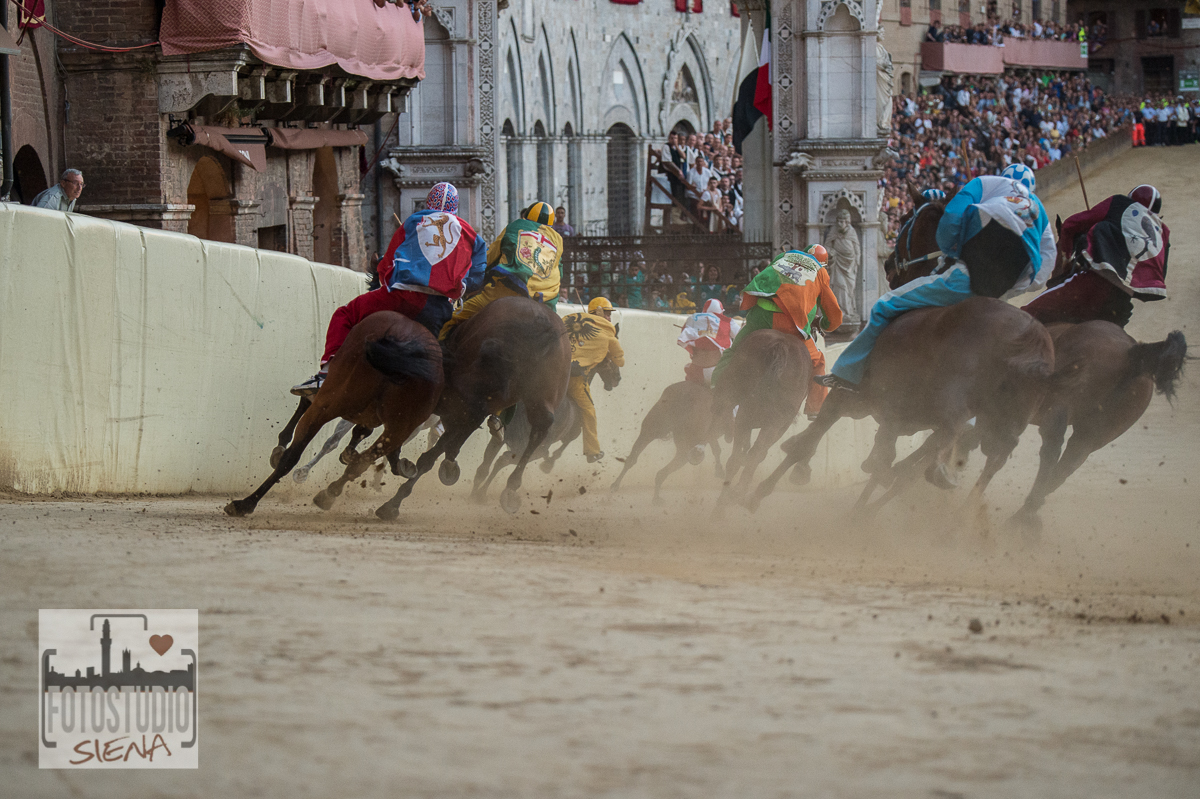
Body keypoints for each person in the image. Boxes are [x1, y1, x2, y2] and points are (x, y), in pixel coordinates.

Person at [817, 163, 1054, 391]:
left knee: (883, 305)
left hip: (968, 276)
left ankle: (846, 376)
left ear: (1003, 176)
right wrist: (1014, 289)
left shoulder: (986, 183)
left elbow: (951, 215)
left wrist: (951, 251)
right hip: (1006, 285)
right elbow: (1046, 265)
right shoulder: (1039, 209)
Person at [292, 183, 486, 395]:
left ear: (428, 202)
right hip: (438, 309)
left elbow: (387, 265)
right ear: (455, 208)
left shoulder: (414, 221)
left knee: (345, 315)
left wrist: (388, 283)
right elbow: (476, 279)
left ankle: (326, 375)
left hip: (402, 297)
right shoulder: (473, 237)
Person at [715, 245, 843, 417]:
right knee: (817, 361)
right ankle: (815, 408)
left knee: (734, 350)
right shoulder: (820, 271)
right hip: (791, 324)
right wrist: (824, 324)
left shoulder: (784, 257)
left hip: (760, 316)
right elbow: (834, 316)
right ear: (824, 263)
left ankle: (716, 387)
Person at [1023, 184, 1169, 327]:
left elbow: (1069, 225)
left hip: (1093, 286)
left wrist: (1067, 259)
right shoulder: (1163, 233)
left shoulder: (1119, 203)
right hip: (1122, 303)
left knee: (1026, 315)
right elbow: (1159, 275)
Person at [439, 202, 563, 341]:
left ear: (526, 216)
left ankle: (440, 356)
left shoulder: (516, 225)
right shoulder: (558, 240)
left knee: (453, 318)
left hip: (506, 290)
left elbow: (491, 257)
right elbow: (559, 271)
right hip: (543, 299)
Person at [561, 297, 625, 463]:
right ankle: (592, 451)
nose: (609, 318)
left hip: (554, 374)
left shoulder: (570, 323)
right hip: (574, 380)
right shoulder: (607, 334)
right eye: (608, 314)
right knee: (589, 411)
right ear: (599, 312)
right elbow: (620, 361)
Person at [677, 298, 743, 386]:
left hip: (695, 371)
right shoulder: (728, 321)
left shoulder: (691, 319)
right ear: (720, 311)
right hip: (716, 372)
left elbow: (684, 336)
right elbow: (741, 337)